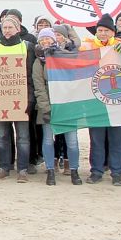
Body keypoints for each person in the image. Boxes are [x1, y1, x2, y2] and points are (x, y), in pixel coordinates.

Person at [81, 14, 121, 185]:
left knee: (117, 138)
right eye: (100, 30)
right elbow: (71, 59)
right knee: (96, 138)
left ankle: (117, 172)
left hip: (118, 98)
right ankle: (96, 171)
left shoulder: (120, 46)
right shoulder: (87, 46)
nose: (102, 33)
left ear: (112, 32)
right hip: (95, 99)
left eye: (106, 31)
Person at [31, 28, 82, 185]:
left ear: (55, 40)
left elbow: (75, 78)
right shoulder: (38, 61)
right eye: (42, 40)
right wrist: (46, 108)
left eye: (48, 39)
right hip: (48, 107)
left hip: (67, 105)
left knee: (72, 141)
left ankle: (74, 170)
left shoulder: (64, 55)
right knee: (47, 140)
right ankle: (50, 171)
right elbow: (39, 87)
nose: (45, 42)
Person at [0, 14, 36, 182]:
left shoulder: (27, 47)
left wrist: (30, 99)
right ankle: (4, 167)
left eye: (10, 27)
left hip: (21, 98)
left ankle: (22, 169)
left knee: (23, 137)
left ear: (18, 29)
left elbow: (31, 76)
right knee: (2, 136)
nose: (7, 31)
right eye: (5, 27)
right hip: (0, 100)